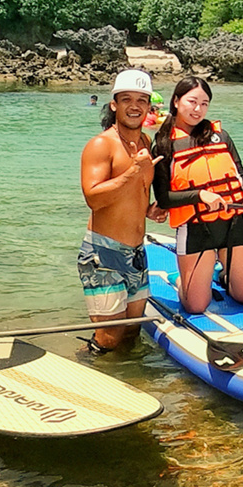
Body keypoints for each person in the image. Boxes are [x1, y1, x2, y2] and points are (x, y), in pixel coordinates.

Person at [151, 76, 243, 313]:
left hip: (233, 223)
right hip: (196, 228)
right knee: (196, 306)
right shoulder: (164, 145)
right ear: (176, 101)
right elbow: (164, 198)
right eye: (192, 101)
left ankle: (224, 274)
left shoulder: (221, 136)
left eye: (204, 103)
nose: (198, 109)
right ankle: (181, 280)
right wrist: (200, 196)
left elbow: (240, 173)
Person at [78, 69, 167, 352]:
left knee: (131, 333)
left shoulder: (145, 143)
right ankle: (84, 372)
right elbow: (93, 198)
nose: (134, 106)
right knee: (109, 338)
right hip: (104, 253)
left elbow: (134, 192)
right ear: (114, 104)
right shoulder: (101, 144)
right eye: (126, 99)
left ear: (149, 107)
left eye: (141, 100)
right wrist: (133, 172)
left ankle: (131, 384)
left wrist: (148, 210)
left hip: (137, 253)